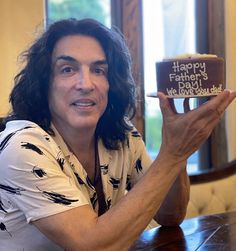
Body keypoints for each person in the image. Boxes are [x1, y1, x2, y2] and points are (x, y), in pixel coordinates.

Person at [0, 18, 235, 251]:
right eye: (67, 69)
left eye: (99, 70)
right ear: (44, 82)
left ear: (111, 83)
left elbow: (170, 214)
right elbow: (91, 245)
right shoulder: (20, 146)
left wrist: (180, 148)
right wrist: (173, 153)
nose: (86, 84)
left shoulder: (121, 135)